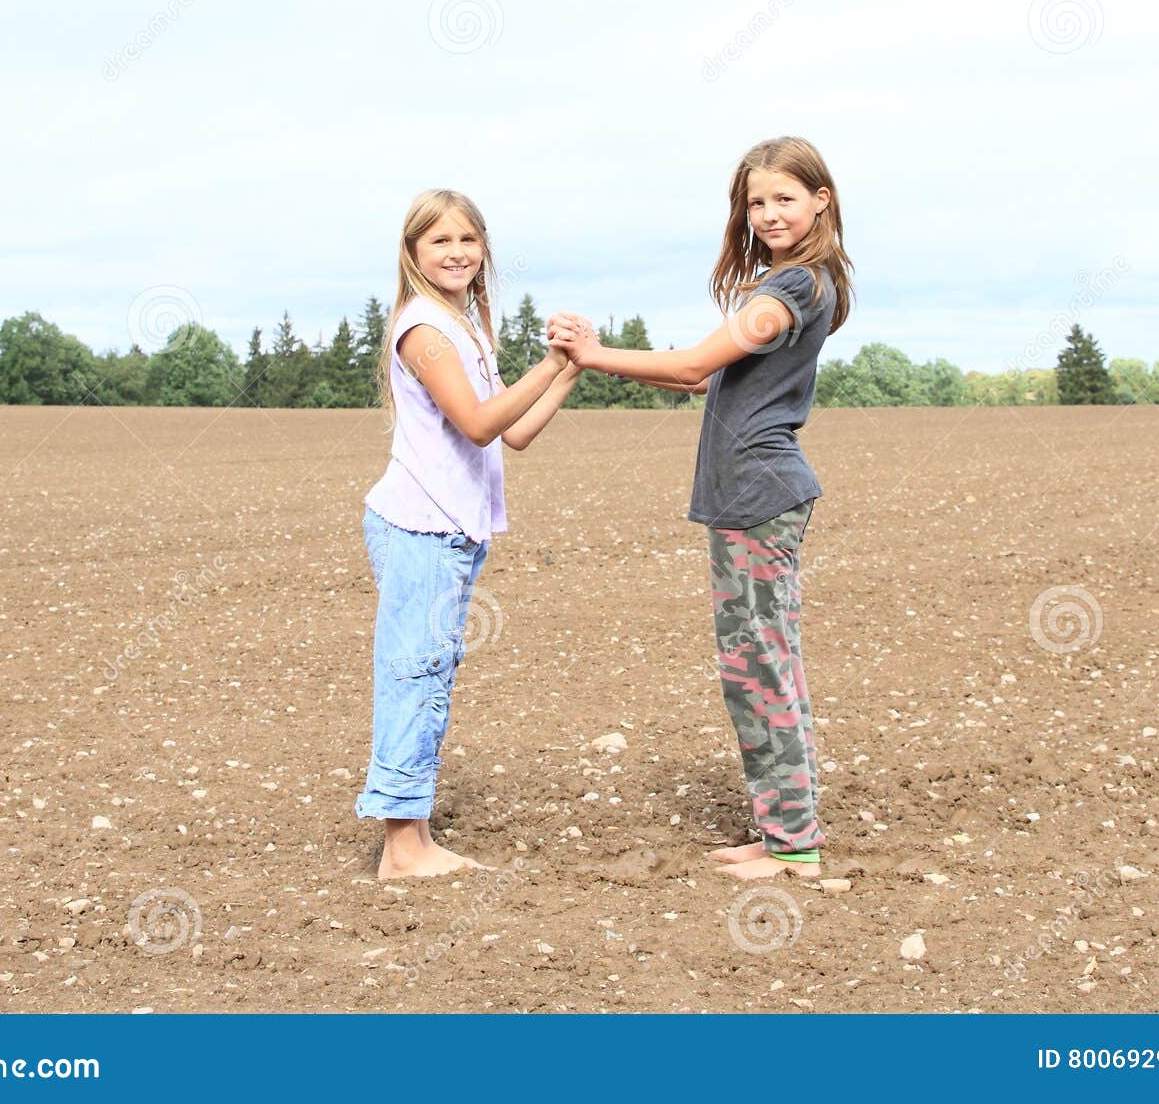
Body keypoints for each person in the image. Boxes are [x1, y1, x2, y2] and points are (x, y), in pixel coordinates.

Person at [548, 136, 852, 880]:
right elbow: (696, 382)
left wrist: (591, 353)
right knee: (758, 664)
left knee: (758, 667)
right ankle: (781, 826)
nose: (769, 213)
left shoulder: (793, 291)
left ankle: (794, 845)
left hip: (758, 494)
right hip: (749, 495)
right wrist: (604, 358)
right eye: (757, 202)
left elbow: (690, 364)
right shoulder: (790, 284)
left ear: (822, 200)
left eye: (785, 198)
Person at [358, 188, 580, 879]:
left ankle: (413, 834)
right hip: (420, 524)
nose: (456, 253)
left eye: (467, 241)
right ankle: (402, 847)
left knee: (430, 670)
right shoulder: (424, 328)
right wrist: (548, 363)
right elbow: (477, 423)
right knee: (413, 671)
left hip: (450, 529)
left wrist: (570, 368)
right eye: (440, 241)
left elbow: (513, 433)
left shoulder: (466, 327)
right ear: (414, 253)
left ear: (484, 249)